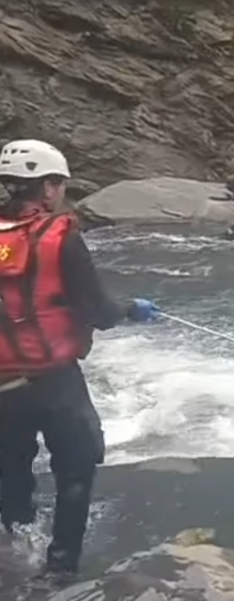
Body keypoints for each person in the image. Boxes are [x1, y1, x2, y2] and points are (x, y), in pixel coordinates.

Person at [0, 139, 160, 580]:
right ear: (48, 187)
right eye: (60, 184)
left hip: (1, 385)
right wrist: (133, 309)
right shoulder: (60, 235)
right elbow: (98, 310)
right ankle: (59, 568)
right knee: (75, 464)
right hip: (54, 381)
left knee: (10, 469)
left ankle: (17, 549)